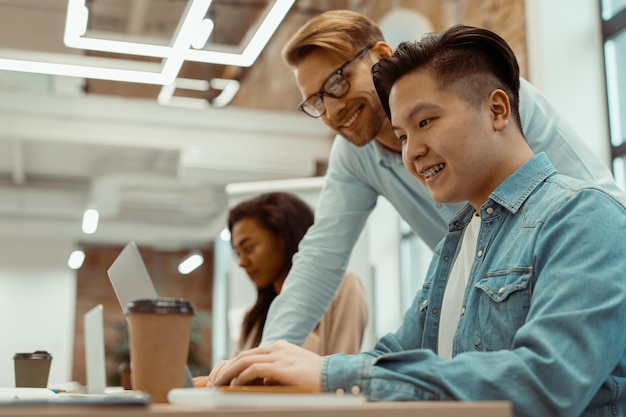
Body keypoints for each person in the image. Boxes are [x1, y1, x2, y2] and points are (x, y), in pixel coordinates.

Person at [207, 26, 626, 417]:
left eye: (425, 122)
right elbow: (337, 279)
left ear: (497, 109)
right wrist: (270, 362)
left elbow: (544, 384)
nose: (410, 153)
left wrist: (329, 374)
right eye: (402, 136)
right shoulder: (458, 238)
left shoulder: (584, 214)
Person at [194, 192, 368, 387]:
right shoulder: (253, 318)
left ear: (282, 238)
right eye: (238, 253)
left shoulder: (344, 286)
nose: (242, 263)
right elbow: (238, 381)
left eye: (249, 248)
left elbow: (339, 378)